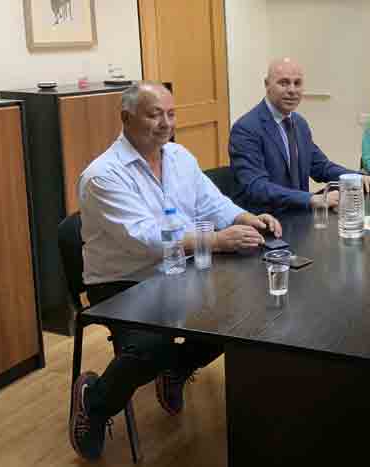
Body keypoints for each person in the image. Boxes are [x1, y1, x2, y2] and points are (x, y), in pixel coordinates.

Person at [69, 82, 282, 460]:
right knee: (151, 347)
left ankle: (177, 370)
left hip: (179, 268)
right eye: (154, 115)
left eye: (170, 114)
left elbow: (212, 202)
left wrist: (246, 218)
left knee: (244, 315)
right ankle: (95, 403)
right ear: (126, 118)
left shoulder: (179, 156)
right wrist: (216, 241)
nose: (165, 123)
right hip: (125, 281)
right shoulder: (103, 175)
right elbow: (146, 239)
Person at [230, 58, 370, 214]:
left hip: (299, 215)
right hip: (265, 220)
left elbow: (320, 166)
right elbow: (257, 187)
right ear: (267, 85)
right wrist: (311, 199)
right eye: (283, 83)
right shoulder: (246, 128)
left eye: (297, 83)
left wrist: (355, 177)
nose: (292, 90)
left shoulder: (299, 123)